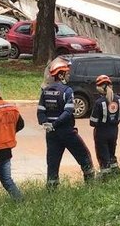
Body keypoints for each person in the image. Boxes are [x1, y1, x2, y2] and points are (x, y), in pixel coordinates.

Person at [37, 58, 95, 187]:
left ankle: (52, 189)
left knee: (52, 163)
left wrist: (46, 123)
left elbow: (40, 111)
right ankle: (90, 185)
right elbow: (68, 112)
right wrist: (55, 123)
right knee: (84, 155)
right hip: (67, 132)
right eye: (67, 73)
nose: (69, 76)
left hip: (51, 134)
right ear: (61, 75)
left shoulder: (45, 91)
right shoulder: (67, 91)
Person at [90, 75, 120, 178]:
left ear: (99, 88)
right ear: (111, 85)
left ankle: (106, 178)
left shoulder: (99, 102)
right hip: (114, 131)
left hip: (101, 133)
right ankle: (115, 174)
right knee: (112, 153)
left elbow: (93, 122)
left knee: (103, 156)